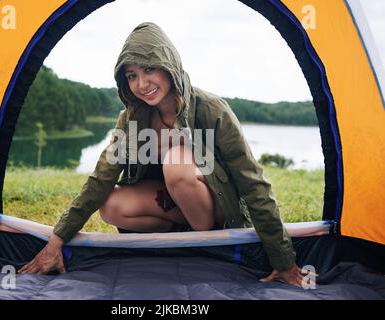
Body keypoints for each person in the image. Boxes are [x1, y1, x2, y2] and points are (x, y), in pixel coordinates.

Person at [18, 22, 306, 287]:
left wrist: (284, 260)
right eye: (132, 75)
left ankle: (204, 236)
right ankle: (181, 237)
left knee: (176, 162)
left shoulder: (212, 109)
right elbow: (101, 178)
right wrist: (56, 241)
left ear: (168, 66)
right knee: (111, 205)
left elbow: (252, 183)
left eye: (148, 69)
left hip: (217, 208)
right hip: (172, 203)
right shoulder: (131, 119)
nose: (142, 84)